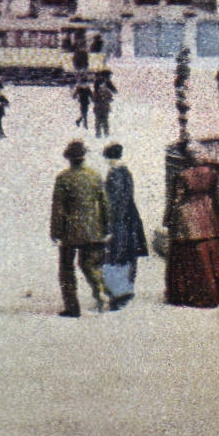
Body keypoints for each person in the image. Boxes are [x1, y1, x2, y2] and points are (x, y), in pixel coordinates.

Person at [49, 140, 110, 317]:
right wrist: (106, 226)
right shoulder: (95, 175)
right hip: (93, 227)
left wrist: (56, 230)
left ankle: (72, 306)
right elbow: (104, 203)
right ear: (84, 157)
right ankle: (101, 293)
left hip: (71, 230)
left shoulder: (63, 178)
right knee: (90, 265)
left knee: (67, 268)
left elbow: (58, 207)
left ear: (69, 159)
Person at [165, 151, 219, 308]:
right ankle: (213, 294)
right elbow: (216, 197)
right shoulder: (211, 174)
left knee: (185, 256)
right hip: (207, 214)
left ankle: (186, 294)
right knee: (209, 258)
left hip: (188, 218)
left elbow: (176, 199)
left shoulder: (182, 175)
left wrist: (168, 218)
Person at [101, 143, 148, 309]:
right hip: (131, 218)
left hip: (120, 221)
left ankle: (120, 294)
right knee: (128, 255)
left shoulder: (115, 174)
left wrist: (111, 225)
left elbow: (116, 201)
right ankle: (126, 289)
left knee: (118, 256)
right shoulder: (126, 172)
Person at [92, 71, 114, 138]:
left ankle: (101, 133)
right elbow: (111, 99)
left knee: (100, 121)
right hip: (103, 108)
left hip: (100, 108)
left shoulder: (98, 92)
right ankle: (104, 133)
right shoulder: (107, 91)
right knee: (103, 121)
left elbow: (93, 99)